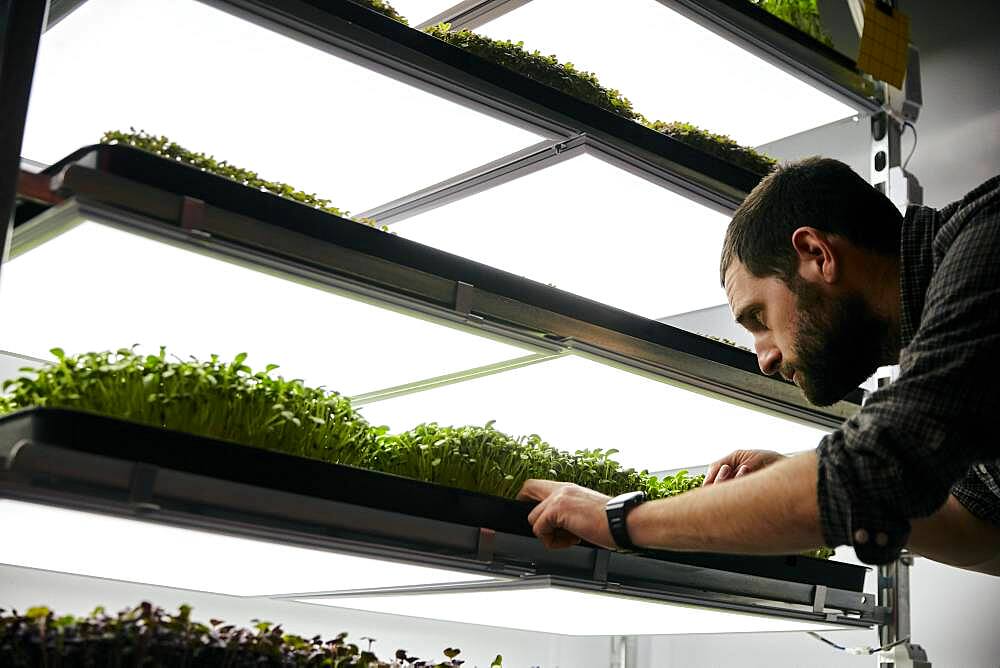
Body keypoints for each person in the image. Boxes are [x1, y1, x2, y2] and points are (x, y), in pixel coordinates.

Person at [518, 158, 1000, 573]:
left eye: (758, 318)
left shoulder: (988, 246)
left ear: (816, 254)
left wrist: (618, 520)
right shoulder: (956, 364)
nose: (766, 359)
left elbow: (866, 474)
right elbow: (985, 534)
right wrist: (792, 479)